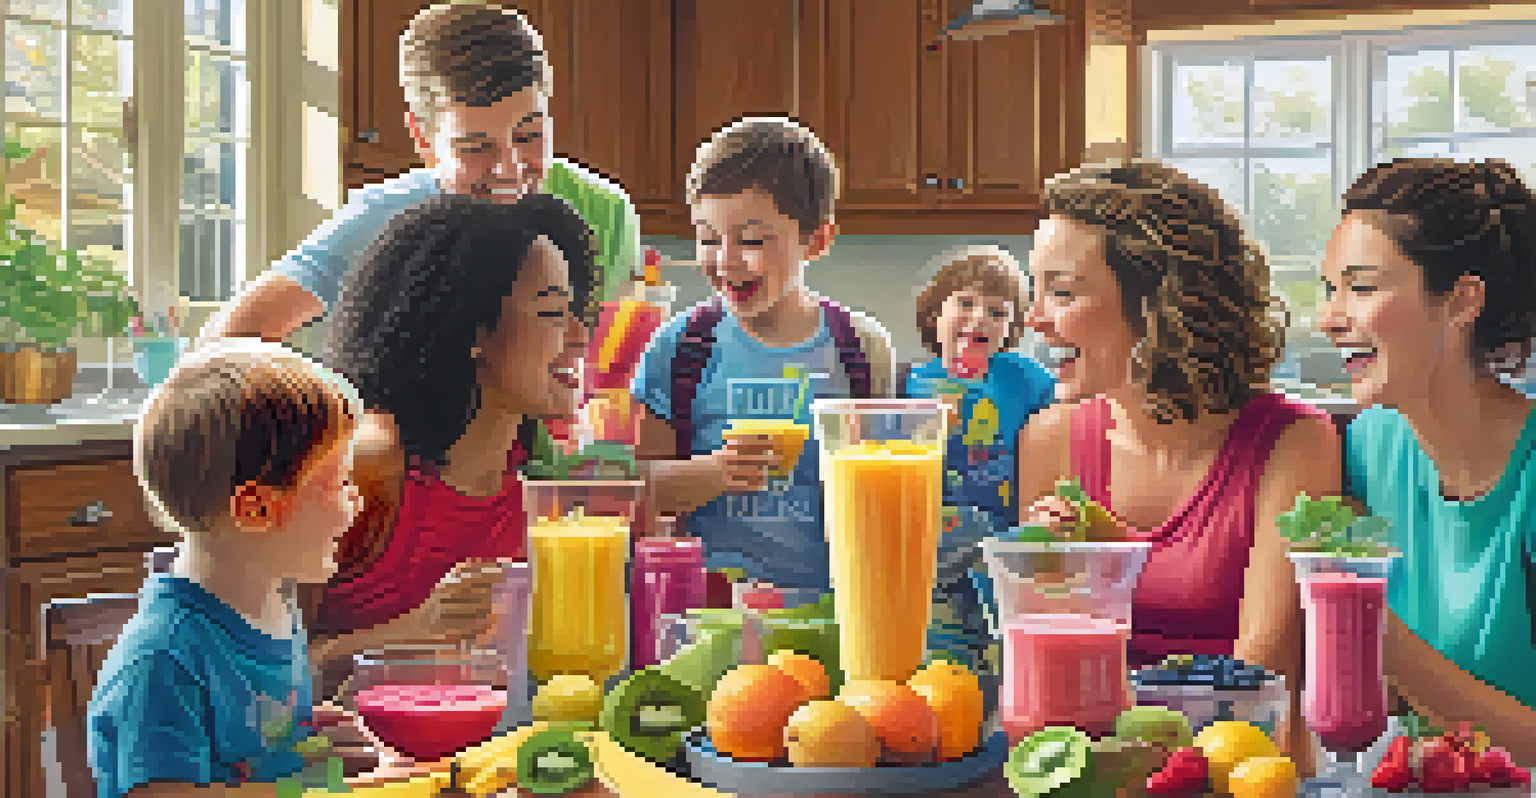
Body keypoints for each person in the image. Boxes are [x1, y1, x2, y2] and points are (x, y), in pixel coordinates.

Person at [197, 1, 638, 469]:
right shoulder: (390, 222)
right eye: (476, 146)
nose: (510, 169)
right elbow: (224, 347)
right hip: (414, 500)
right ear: (423, 140)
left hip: (551, 501)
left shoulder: (602, 213)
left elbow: (610, 375)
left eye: (529, 134)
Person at [1016, 160, 1338, 771]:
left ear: (1159, 306)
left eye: (1062, 291)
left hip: (1237, 777)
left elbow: (1257, 683)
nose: (1034, 319)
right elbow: (1047, 692)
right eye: (1038, 290)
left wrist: (1111, 555)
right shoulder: (1049, 440)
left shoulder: (1294, 445)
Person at [303, 192, 598, 696]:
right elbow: (256, 677)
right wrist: (414, 633)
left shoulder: (529, 489)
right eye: (551, 312)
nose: (579, 335)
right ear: (474, 330)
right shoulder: (365, 466)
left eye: (574, 311)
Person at [1322, 157, 1536, 762]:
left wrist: (1366, 623)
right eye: (1331, 290)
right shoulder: (1372, 445)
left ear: (1463, 301)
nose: (1330, 319)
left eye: (1361, 288)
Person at [87, 338, 366, 795]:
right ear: (256, 510)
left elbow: (257, 751)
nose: (354, 502)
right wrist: (307, 788)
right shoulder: (166, 657)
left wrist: (313, 744)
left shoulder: (273, 609)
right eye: (335, 483)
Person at [632, 117, 896, 592]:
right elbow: (639, 489)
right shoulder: (678, 350)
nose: (726, 259)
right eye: (709, 238)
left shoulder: (860, 348)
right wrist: (715, 471)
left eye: (751, 239)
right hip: (706, 616)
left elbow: (881, 491)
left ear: (816, 241)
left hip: (830, 614)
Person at [905, 244, 1056, 673]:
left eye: (996, 311)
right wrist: (925, 427)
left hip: (1005, 549)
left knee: (1003, 653)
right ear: (935, 317)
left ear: (1009, 329)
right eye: (965, 304)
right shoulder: (912, 386)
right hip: (939, 554)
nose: (979, 318)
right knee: (941, 655)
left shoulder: (1021, 376)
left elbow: (1069, 408)